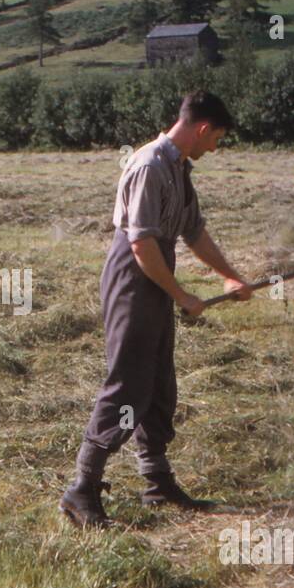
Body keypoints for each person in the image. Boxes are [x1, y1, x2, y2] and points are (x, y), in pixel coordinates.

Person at [60, 91, 253, 528]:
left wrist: (229, 275)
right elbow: (141, 243)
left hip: (155, 273)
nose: (215, 148)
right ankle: (82, 487)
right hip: (134, 276)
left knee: (159, 379)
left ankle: (157, 483)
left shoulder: (179, 169)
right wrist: (182, 295)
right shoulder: (148, 165)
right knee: (128, 380)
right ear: (202, 129)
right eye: (217, 138)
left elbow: (194, 232)